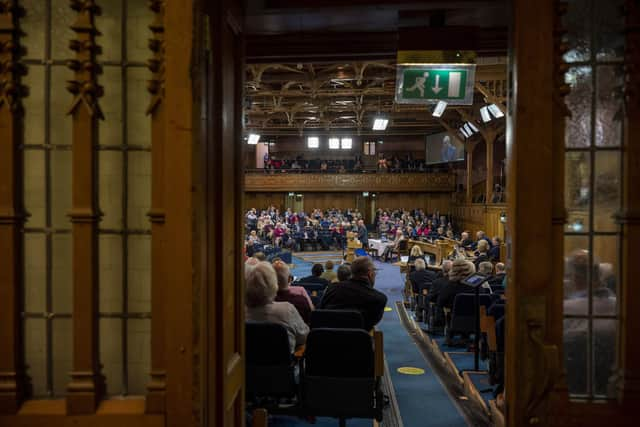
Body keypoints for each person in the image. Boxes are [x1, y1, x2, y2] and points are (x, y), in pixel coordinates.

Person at [245, 262, 309, 352]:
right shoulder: (287, 310)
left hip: (247, 364)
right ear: (273, 285)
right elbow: (303, 337)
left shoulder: (238, 313)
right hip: (283, 365)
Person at [319, 257, 387, 331]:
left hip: (327, 338)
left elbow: (321, 310)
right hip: (357, 341)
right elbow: (369, 325)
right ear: (370, 274)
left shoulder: (332, 289)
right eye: (375, 272)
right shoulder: (379, 299)